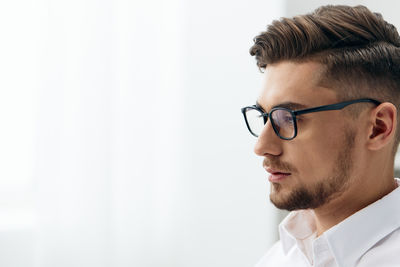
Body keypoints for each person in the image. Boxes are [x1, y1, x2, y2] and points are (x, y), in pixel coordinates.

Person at [241, 5, 400, 267]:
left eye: (289, 118)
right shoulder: (280, 258)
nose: (262, 146)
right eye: (264, 116)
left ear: (378, 128)